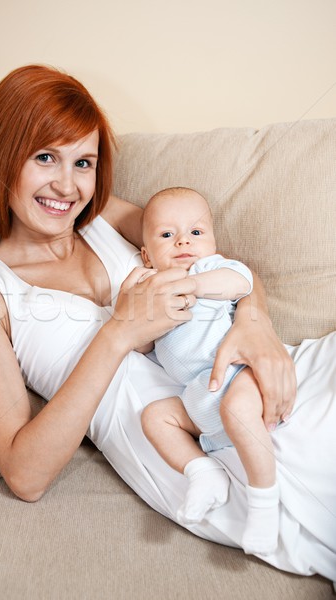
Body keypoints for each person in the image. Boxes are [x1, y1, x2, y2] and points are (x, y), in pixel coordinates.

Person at [0, 64, 336, 583]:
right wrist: (118, 333)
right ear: (0, 156)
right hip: (205, 445)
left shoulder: (100, 216)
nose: (67, 185)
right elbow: (25, 473)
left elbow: (220, 265)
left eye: (83, 162)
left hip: (275, 376)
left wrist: (256, 323)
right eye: (45, 157)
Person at [138, 187, 278, 555]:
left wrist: (194, 283)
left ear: (213, 242)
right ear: (146, 255)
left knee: (238, 409)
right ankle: (202, 471)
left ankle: (265, 503)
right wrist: (137, 314)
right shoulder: (149, 288)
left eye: (196, 233)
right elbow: (141, 345)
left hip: (240, 373)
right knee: (155, 417)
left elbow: (242, 281)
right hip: (199, 394)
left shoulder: (212, 269)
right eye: (167, 235)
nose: (184, 240)